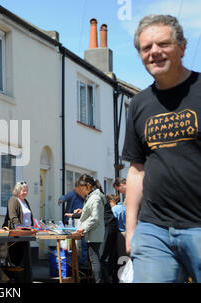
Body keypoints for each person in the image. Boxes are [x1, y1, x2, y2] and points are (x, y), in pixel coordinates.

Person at [122, 14, 201, 282]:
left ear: (182, 47)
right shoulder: (138, 104)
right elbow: (136, 170)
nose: (154, 52)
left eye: (163, 44)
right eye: (146, 48)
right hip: (154, 230)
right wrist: (131, 230)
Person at [73, 174, 105, 283]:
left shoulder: (95, 198)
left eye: (82, 188)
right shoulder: (92, 197)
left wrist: (83, 228)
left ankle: (98, 281)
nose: (81, 192)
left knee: (95, 261)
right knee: (94, 260)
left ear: (87, 185)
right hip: (93, 233)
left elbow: (95, 217)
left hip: (94, 234)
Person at [2, 181, 34, 266]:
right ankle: (15, 274)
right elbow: (13, 216)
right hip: (16, 233)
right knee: (16, 254)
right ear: (17, 191)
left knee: (23, 255)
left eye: (26, 190)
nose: (25, 192)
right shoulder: (13, 200)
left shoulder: (26, 202)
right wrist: (20, 228)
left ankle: (22, 274)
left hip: (26, 232)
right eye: (23, 190)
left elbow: (29, 216)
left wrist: (32, 227)